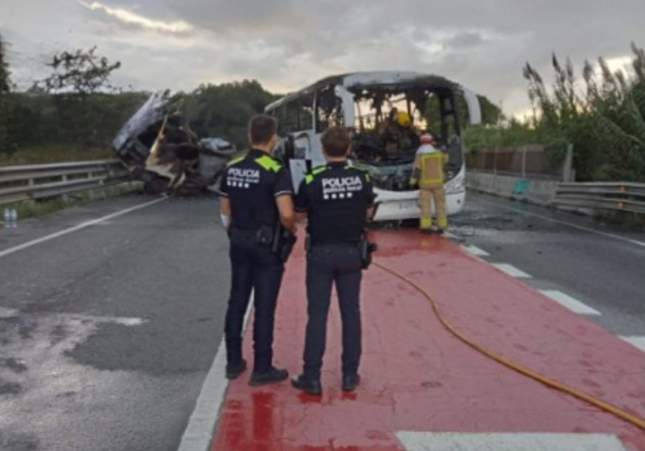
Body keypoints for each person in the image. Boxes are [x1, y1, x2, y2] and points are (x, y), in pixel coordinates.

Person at [291, 127, 375, 396]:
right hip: (352, 253)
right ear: (348, 149)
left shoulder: (313, 178)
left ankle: (312, 377)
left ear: (324, 150)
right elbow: (369, 211)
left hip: (321, 254)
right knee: (351, 314)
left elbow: (300, 214)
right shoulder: (362, 177)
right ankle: (350, 375)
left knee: (317, 315)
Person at [219, 114, 296, 386]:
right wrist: (292, 230)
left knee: (236, 301)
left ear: (250, 135)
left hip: (238, 240)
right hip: (266, 245)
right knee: (264, 306)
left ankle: (233, 362)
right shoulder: (275, 169)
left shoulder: (233, 165)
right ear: (273, 138)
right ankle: (262, 367)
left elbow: (225, 212)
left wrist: (235, 233)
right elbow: (287, 214)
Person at [409, 133, 449, 233]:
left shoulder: (420, 155)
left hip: (425, 185)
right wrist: (445, 151)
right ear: (432, 142)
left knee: (425, 206)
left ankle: (426, 226)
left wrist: (412, 181)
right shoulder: (438, 154)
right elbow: (446, 161)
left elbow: (417, 170)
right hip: (439, 184)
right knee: (440, 205)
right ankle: (442, 226)